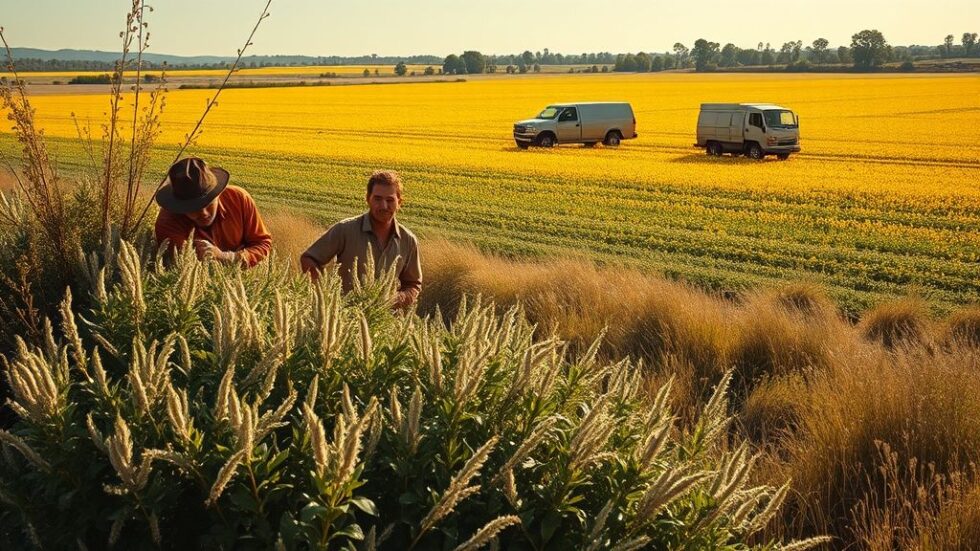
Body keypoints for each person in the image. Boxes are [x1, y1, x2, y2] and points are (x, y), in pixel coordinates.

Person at [301, 170, 422, 309]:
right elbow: (309, 259)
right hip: (346, 320)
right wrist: (326, 296)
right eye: (377, 199)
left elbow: (413, 285)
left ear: (399, 202)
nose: (383, 206)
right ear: (367, 198)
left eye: (390, 200)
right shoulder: (345, 230)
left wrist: (393, 300)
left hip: (386, 325)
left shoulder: (408, 240)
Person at [155, 157, 272, 267]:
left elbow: (263, 245)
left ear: (218, 194)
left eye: (209, 204)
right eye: (194, 209)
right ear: (180, 207)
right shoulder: (167, 222)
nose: (204, 213)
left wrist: (226, 257)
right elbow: (190, 266)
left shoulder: (239, 199)